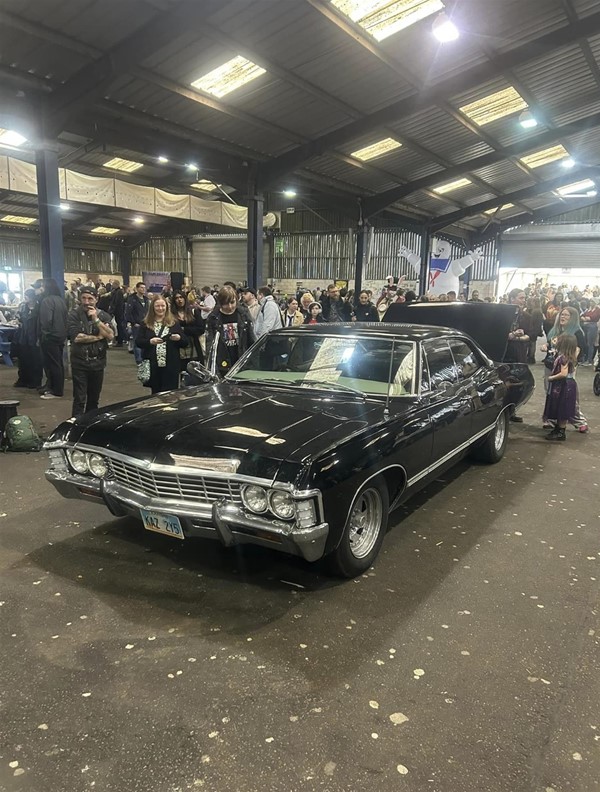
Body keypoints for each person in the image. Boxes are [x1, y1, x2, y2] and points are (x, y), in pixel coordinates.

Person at [67, 286, 114, 417]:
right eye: (83, 298)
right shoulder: (74, 315)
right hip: (80, 362)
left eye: (90, 299)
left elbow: (110, 335)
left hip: (98, 362)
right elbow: (77, 337)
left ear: (97, 299)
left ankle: (91, 426)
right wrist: (98, 337)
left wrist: (96, 320)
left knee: (94, 399)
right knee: (79, 399)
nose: (86, 302)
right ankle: (75, 425)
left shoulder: (103, 315)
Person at [542, 306, 587, 432]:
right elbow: (550, 343)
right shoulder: (555, 330)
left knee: (568, 396)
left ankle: (579, 421)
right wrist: (546, 345)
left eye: (567, 315)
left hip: (566, 366)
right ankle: (551, 420)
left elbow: (580, 350)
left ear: (573, 318)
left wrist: (569, 360)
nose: (563, 317)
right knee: (550, 393)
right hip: (550, 365)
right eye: (562, 314)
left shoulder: (577, 332)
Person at [136, 297, 188, 393]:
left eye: (163, 306)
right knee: (156, 394)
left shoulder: (174, 323)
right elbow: (138, 342)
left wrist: (179, 338)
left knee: (171, 394)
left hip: (171, 366)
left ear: (167, 307)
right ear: (153, 307)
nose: (160, 308)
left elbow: (185, 342)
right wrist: (150, 342)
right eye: (157, 306)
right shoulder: (145, 323)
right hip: (153, 366)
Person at [205, 286, 255, 376]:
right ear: (220, 303)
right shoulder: (213, 318)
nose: (230, 306)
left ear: (236, 299)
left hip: (242, 363)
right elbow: (210, 346)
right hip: (222, 364)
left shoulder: (244, 314)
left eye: (232, 302)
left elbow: (251, 340)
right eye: (225, 303)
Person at [35, 278, 68, 400]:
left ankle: (57, 390)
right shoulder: (60, 300)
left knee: (53, 364)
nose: (40, 289)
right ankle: (50, 386)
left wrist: (44, 334)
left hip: (50, 336)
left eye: (42, 286)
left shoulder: (47, 301)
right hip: (60, 335)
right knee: (57, 363)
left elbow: (46, 320)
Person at [543, 334, 578, 442]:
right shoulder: (570, 355)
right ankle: (558, 428)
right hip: (568, 385)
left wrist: (551, 377)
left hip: (564, 386)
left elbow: (563, 373)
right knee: (561, 407)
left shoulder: (564, 358)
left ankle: (560, 432)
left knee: (562, 407)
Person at [12, 288, 43, 390]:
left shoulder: (39, 309)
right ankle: (23, 380)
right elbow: (18, 318)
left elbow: (40, 324)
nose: (25, 298)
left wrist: (39, 338)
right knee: (23, 360)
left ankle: (35, 381)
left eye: (27, 296)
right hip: (23, 337)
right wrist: (18, 321)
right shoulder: (23, 307)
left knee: (35, 361)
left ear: (32, 297)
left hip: (34, 337)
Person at [170, 290, 205, 368]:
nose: (179, 300)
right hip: (178, 348)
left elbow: (201, 329)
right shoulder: (170, 314)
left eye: (181, 297)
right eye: (177, 298)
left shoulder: (193, 311)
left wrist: (183, 330)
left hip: (194, 346)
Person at [125, 282, 149, 364]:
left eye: (144, 288)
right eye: (141, 287)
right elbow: (128, 312)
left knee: (144, 342)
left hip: (145, 324)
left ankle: (143, 358)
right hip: (137, 324)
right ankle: (139, 360)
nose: (143, 289)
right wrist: (133, 323)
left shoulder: (146, 299)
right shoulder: (132, 299)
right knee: (137, 342)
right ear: (137, 288)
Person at [580, 299, 600, 365]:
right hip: (586, 326)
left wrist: (586, 318)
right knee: (586, 343)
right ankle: (585, 358)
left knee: (590, 344)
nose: (591, 303)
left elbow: (593, 317)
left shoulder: (597, 310)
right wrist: (586, 318)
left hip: (593, 327)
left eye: (592, 301)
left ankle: (589, 359)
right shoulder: (589, 309)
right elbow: (582, 315)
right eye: (590, 301)